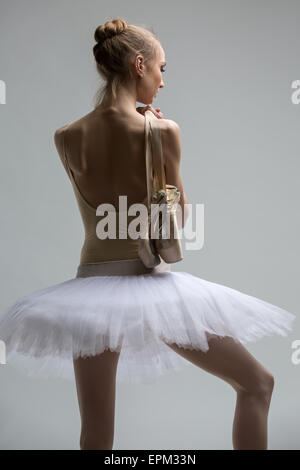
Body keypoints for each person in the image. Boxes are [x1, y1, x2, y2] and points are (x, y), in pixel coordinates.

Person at [0, 17, 296, 451]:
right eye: (162, 68)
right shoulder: (162, 131)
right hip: (147, 284)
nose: (163, 80)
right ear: (139, 65)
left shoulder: (65, 138)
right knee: (258, 384)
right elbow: (178, 225)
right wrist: (158, 142)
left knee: (96, 435)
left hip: (88, 292)